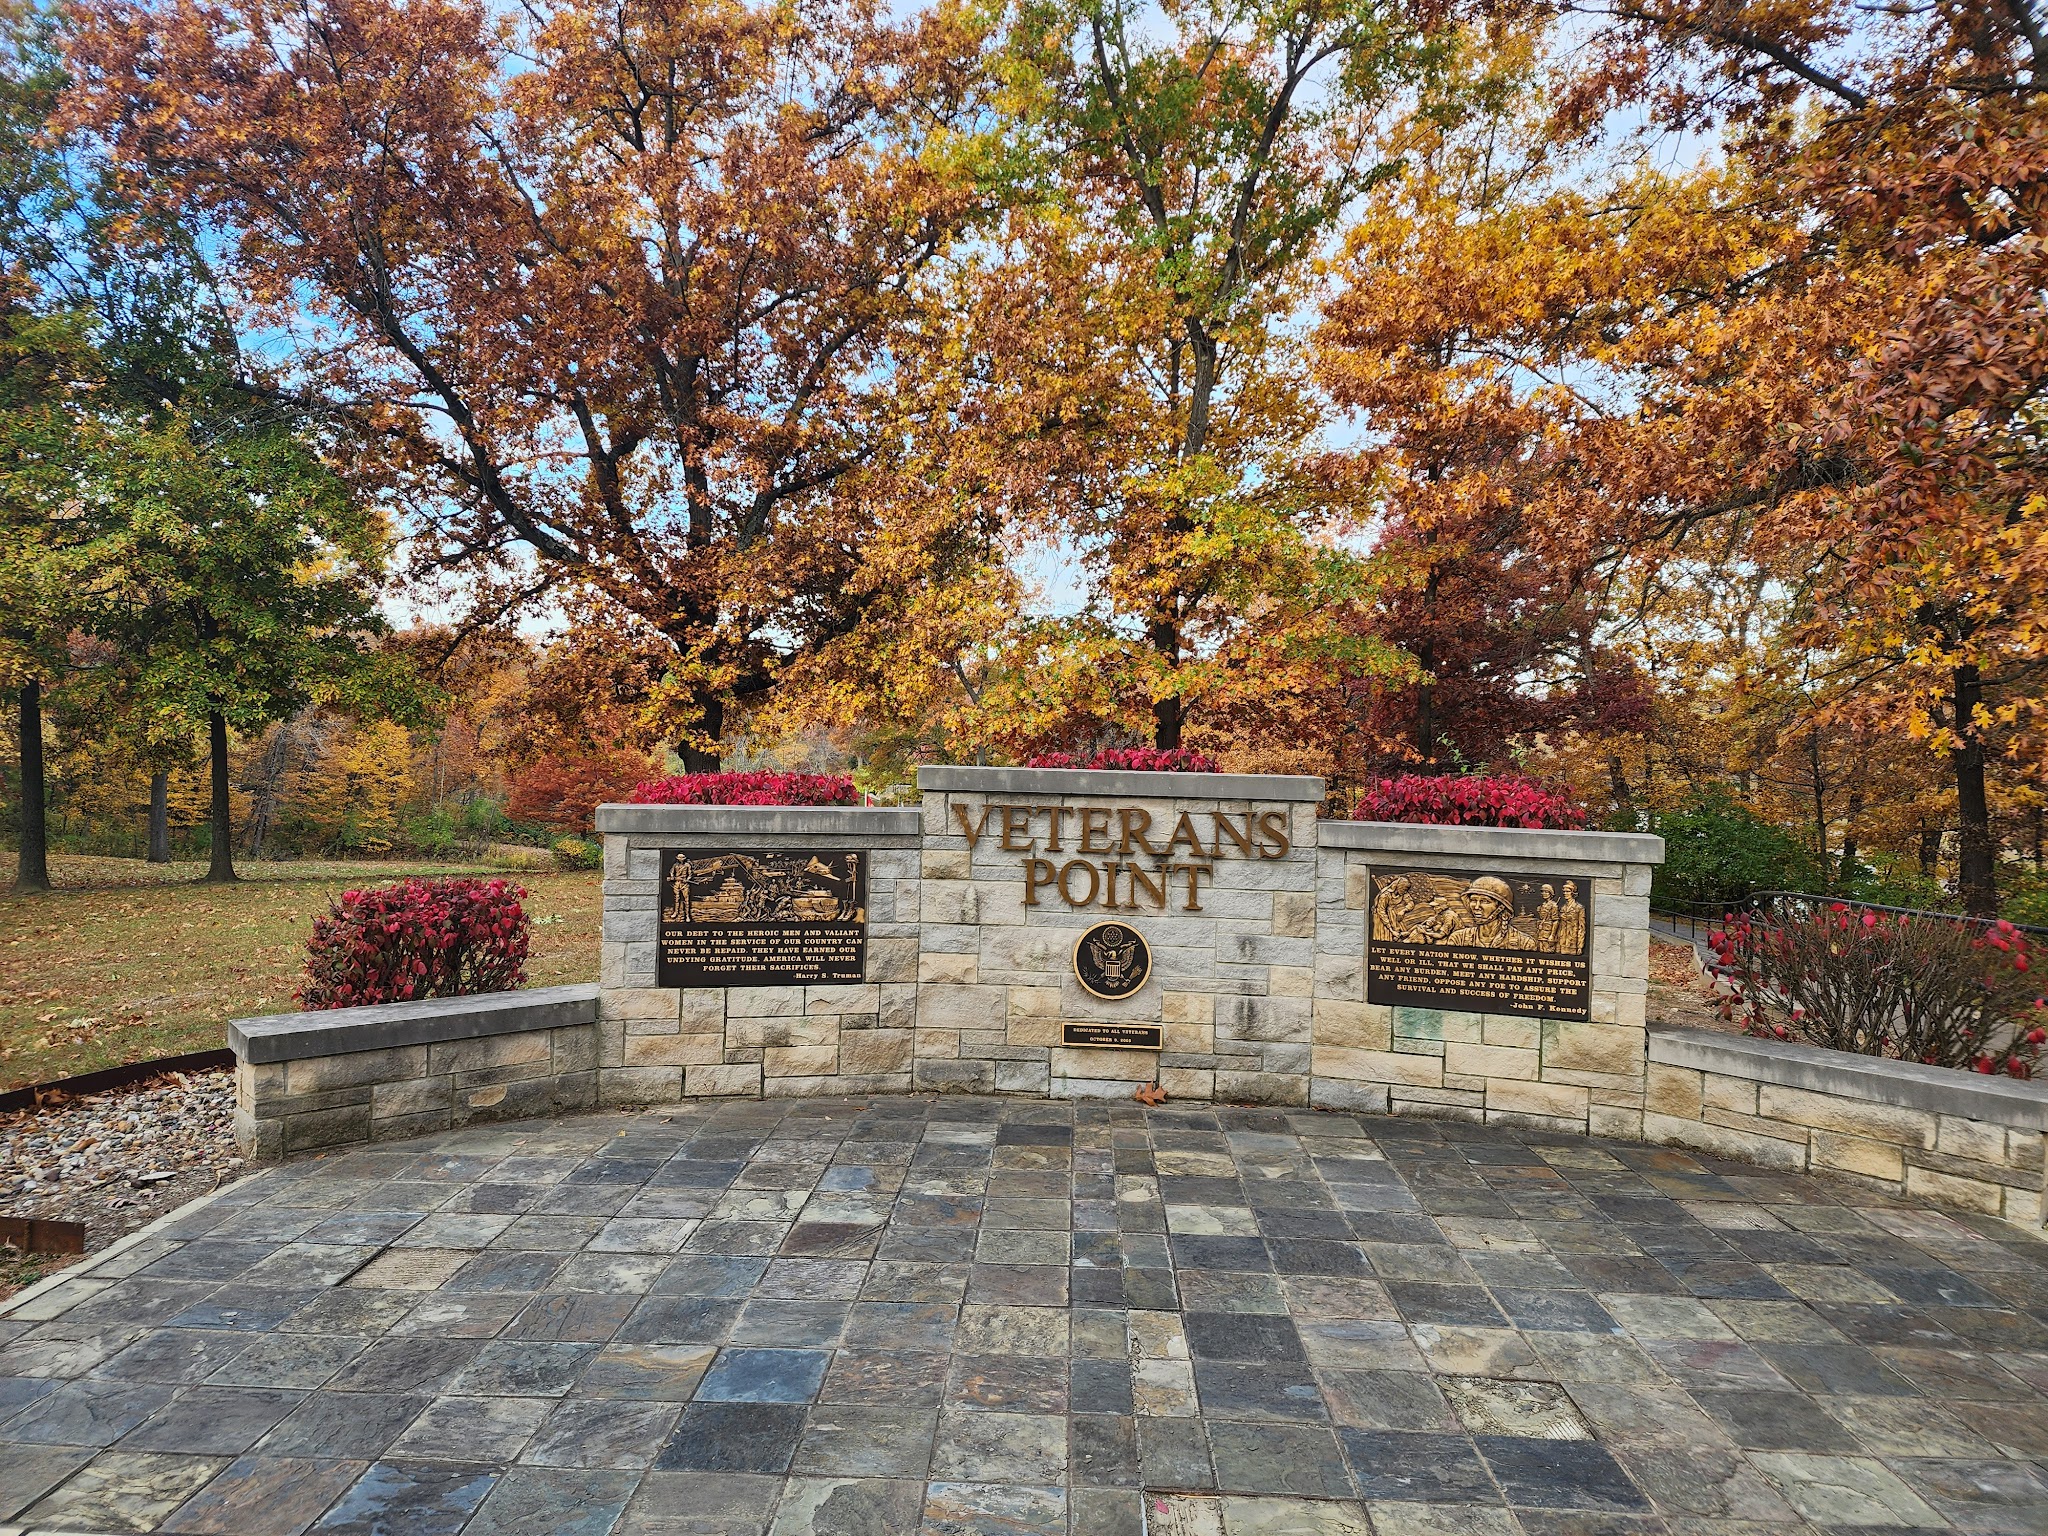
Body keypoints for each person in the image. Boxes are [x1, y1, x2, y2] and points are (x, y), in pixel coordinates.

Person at [1555, 881, 1587, 954]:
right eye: (1564, 891)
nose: (1565, 893)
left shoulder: (1579, 908)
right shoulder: (1562, 908)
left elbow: (1581, 927)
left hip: (1573, 942)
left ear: (1573, 892)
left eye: (1567, 891)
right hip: (1562, 942)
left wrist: (1580, 946)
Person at [1537, 884, 1561, 951]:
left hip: (1549, 932)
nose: (1544, 893)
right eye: (1543, 891)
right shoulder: (1542, 905)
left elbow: (1556, 921)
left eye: (1546, 892)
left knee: (1548, 950)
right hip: (1541, 931)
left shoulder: (1554, 905)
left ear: (1551, 893)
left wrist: (1552, 935)